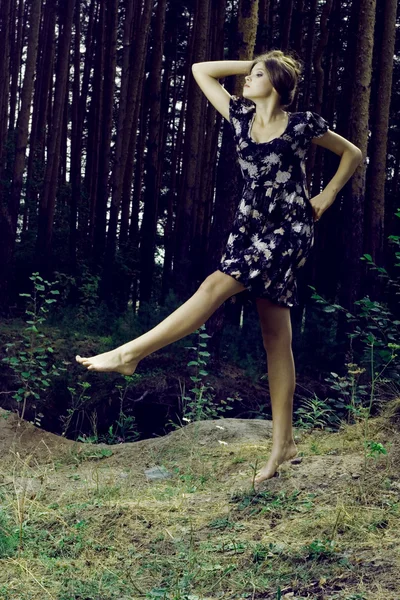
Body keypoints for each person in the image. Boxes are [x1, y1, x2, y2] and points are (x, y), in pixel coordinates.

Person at [76, 50, 363, 484]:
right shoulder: (239, 115)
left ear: (279, 83)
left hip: (289, 229)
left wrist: (327, 195)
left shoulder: (304, 123)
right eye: (249, 73)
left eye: (258, 74)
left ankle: (130, 353)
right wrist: (252, 64)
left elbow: (353, 154)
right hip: (248, 227)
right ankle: (283, 443)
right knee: (274, 336)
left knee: (214, 286)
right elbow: (199, 70)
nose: (248, 79)